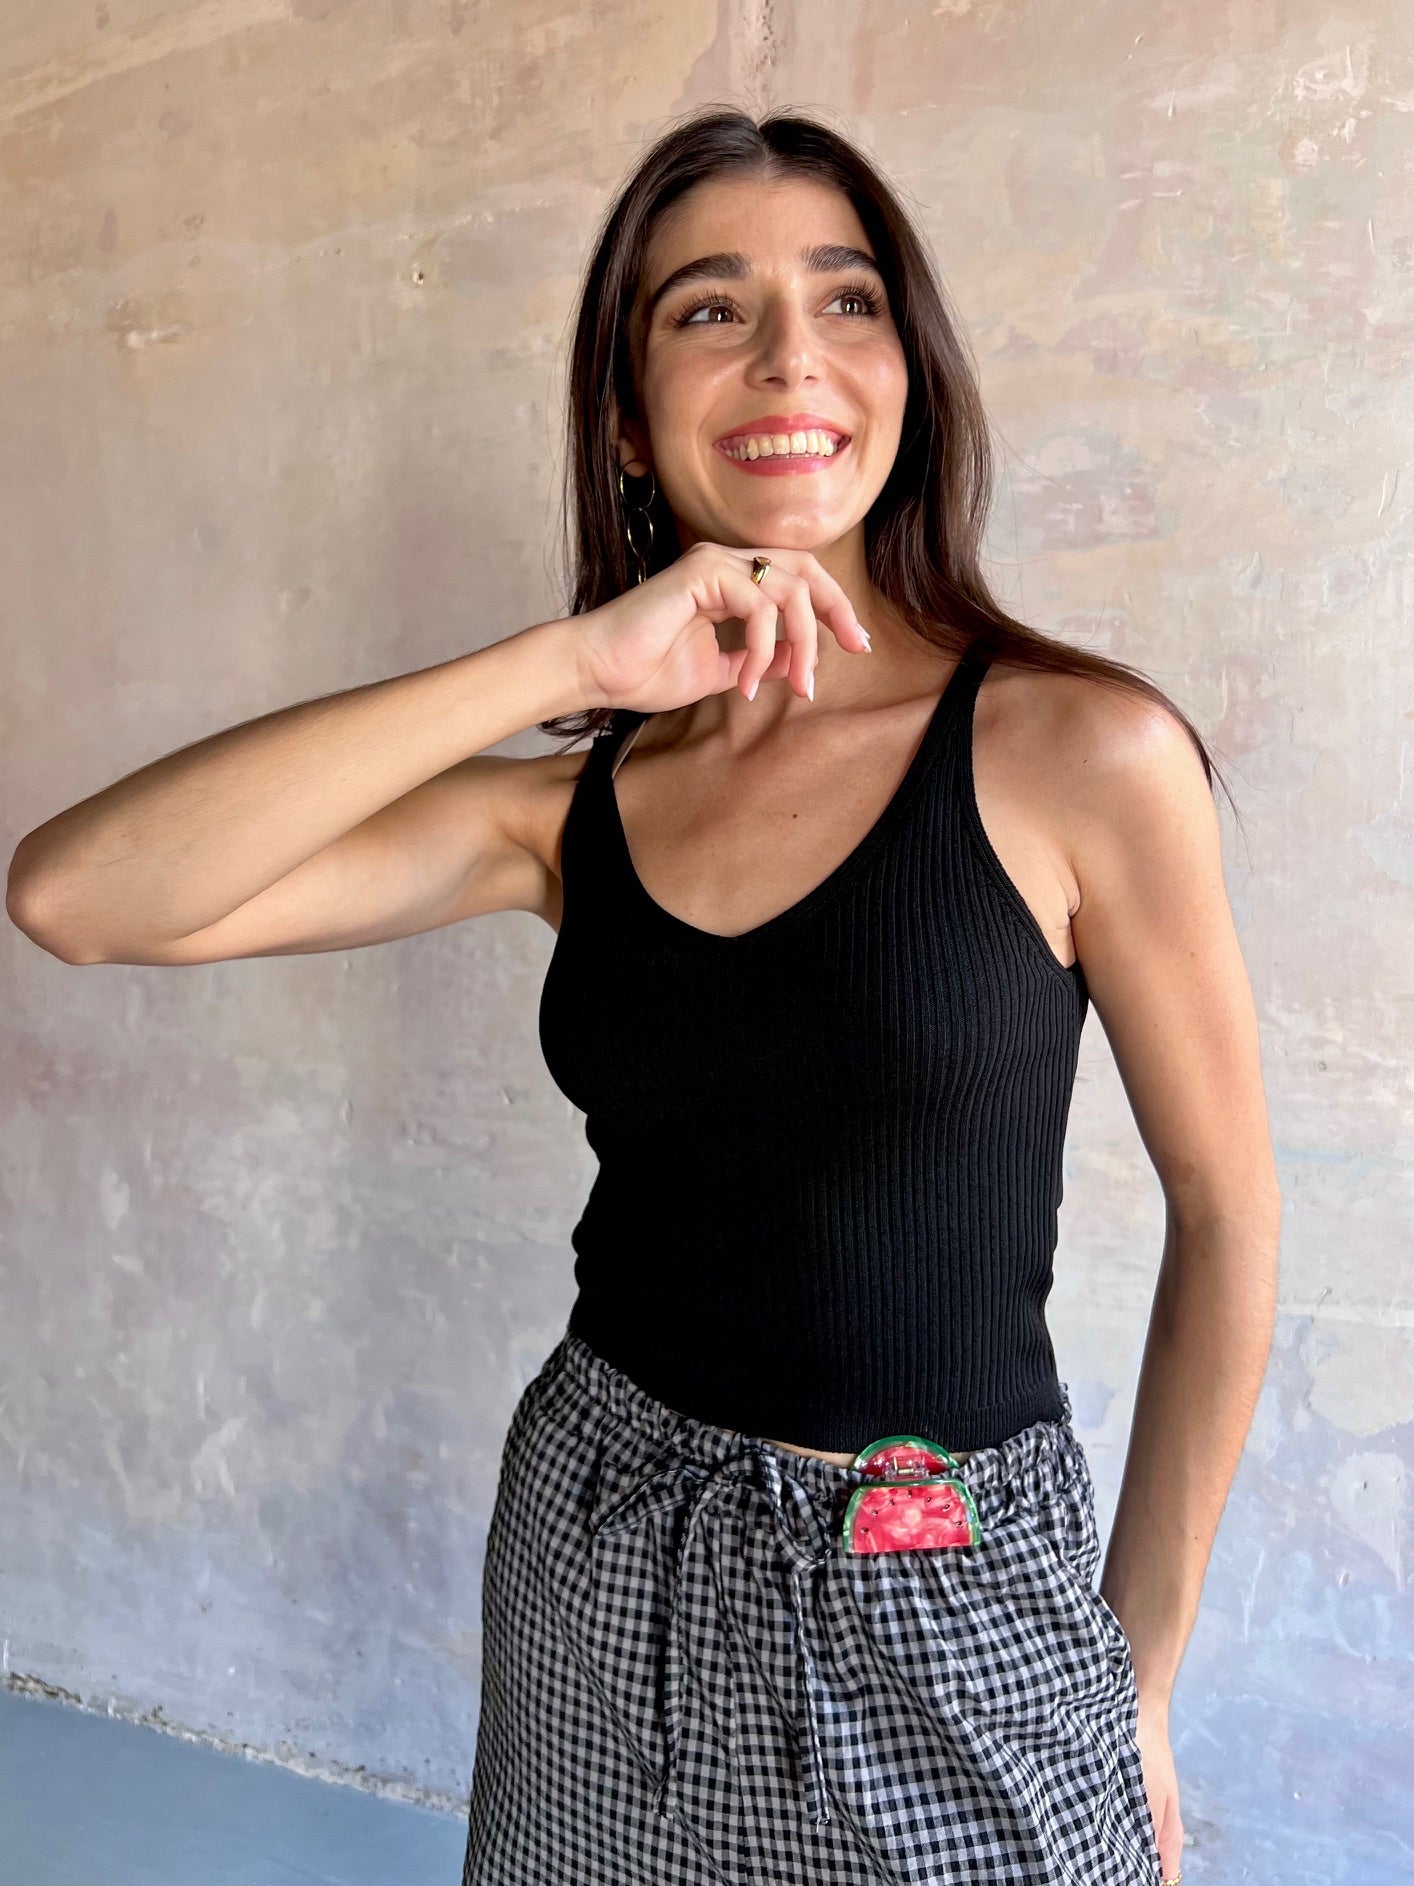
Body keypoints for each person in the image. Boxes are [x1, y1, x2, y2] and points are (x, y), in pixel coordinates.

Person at [7, 107, 1280, 1886]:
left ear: (907, 373)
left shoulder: (1079, 753)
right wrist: (564, 659)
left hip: (945, 1590)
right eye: (708, 309)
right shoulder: (566, 811)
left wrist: (1134, 1673)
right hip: (597, 1546)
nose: (788, 356)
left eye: (844, 299)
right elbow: (78, 896)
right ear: (625, 416)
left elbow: (1227, 1215)